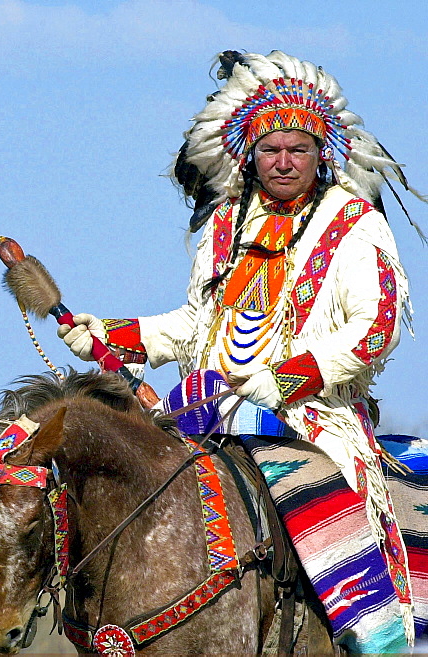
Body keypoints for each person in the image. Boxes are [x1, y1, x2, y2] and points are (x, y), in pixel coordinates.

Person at [59, 50, 425, 653]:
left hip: (311, 420)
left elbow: (375, 326)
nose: (283, 162)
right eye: (270, 150)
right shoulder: (228, 221)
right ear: (250, 153)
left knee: (335, 535)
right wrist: (113, 334)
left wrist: (282, 380)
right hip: (202, 412)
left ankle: (377, 643)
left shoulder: (354, 223)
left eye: (298, 150)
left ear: (321, 152)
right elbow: (198, 325)